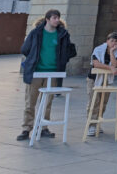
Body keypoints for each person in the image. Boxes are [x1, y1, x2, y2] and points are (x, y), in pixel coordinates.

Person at [17, 9, 76, 141]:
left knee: (47, 102)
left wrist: (63, 59)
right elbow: (25, 49)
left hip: (53, 72)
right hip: (36, 72)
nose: (57, 20)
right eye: (54, 18)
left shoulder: (62, 34)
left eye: (58, 18)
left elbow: (69, 50)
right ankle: (26, 128)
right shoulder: (36, 32)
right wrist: (33, 59)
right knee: (30, 102)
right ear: (47, 19)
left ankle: (44, 127)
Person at [86, 32, 117, 136]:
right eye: (112, 41)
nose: (113, 43)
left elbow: (115, 64)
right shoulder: (98, 49)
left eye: (116, 41)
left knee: (103, 102)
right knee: (94, 101)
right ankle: (91, 125)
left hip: (107, 80)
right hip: (94, 79)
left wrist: (111, 52)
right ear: (107, 41)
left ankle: (98, 123)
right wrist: (110, 68)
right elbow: (96, 64)